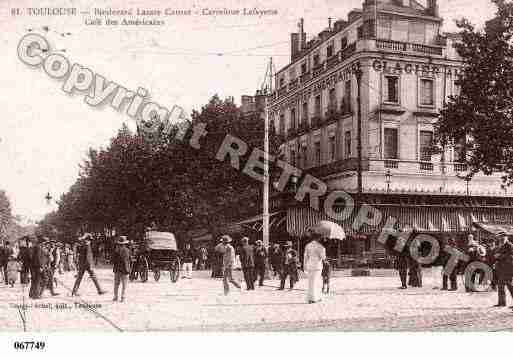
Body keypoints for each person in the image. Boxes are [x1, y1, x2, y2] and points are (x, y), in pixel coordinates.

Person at [304, 233, 326, 303]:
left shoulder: (308, 245)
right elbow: (323, 257)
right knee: (316, 282)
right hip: (317, 266)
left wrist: (305, 265)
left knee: (311, 282)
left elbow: (305, 256)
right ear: (318, 238)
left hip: (310, 265)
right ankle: (314, 298)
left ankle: (311, 297)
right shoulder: (320, 247)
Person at [493, 233, 513, 307]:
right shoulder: (501, 246)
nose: (501, 240)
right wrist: (496, 261)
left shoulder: (510, 245)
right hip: (501, 269)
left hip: (509, 269)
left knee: (510, 286)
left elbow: (511, 256)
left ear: (506, 237)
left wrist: (500, 256)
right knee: (500, 286)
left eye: (502, 238)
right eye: (500, 238)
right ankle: (502, 303)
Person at [112, 236, 131, 302]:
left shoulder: (116, 251)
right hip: (125, 269)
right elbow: (129, 259)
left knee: (116, 284)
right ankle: (123, 297)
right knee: (124, 284)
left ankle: (115, 297)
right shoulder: (127, 250)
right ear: (125, 243)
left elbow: (113, 260)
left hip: (117, 269)